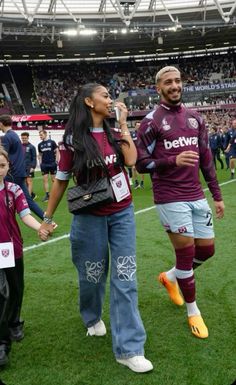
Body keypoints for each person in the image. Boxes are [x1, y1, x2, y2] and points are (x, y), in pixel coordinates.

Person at [39, 83, 153, 373]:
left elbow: (131, 161)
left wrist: (125, 124)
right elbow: (61, 179)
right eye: (104, 95)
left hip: (122, 212)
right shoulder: (72, 139)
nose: (110, 99)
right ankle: (91, 317)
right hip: (89, 216)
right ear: (89, 102)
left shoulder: (116, 133)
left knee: (125, 275)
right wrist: (48, 217)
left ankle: (129, 348)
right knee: (91, 276)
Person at [136, 66, 225, 339]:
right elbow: (141, 164)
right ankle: (193, 311)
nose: (174, 85)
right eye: (168, 82)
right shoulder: (150, 122)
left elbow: (206, 160)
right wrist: (171, 160)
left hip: (197, 196)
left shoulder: (195, 118)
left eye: (177, 81)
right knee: (185, 255)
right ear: (158, 88)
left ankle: (171, 276)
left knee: (207, 250)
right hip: (170, 197)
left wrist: (217, 195)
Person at [0, 146, 48, 366]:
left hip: (11, 250)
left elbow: (25, 214)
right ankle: (3, 343)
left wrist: (40, 227)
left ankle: (14, 322)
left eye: (1, 165)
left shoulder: (14, 190)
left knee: (16, 288)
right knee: (2, 294)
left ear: (8, 166)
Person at [0, 115, 44, 220]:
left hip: (12, 173)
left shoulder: (6, 137)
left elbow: (2, 155)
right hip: (19, 173)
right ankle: (48, 221)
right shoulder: (14, 135)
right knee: (28, 201)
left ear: (1, 123)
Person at [38, 129, 59, 202]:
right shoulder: (40, 144)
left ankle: (55, 193)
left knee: (54, 180)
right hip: (44, 164)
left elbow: (57, 151)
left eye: (41, 135)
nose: (40, 136)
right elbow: (40, 154)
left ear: (45, 134)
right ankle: (47, 195)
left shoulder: (52, 142)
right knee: (45, 180)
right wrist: (40, 162)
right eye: (39, 135)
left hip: (52, 163)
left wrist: (57, 160)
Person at [21, 132, 37, 200]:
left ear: (28, 138)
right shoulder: (20, 146)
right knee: (24, 182)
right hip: (22, 167)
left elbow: (34, 157)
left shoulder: (32, 147)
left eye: (25, 138)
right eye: (22, 138)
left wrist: (33, 167)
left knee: (29, 181)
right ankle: (32, 194)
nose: (24, 139)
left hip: (29, 167)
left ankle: (29, 197)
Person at [130, 121, 145, 189]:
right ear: (135, 126)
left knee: (142, 167)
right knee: (134, 168)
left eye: (139, 125)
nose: (138, 127)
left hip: (141, 152)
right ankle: (136, 182)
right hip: (134, 152)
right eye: (137, 125)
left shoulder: (143, 133)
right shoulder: (132, 133)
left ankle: (142, 182)